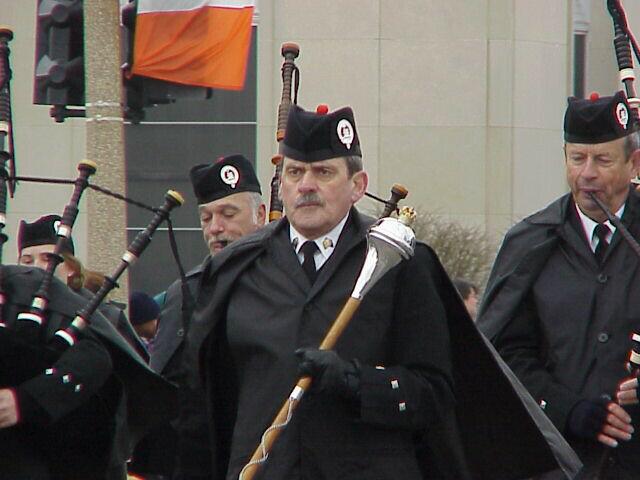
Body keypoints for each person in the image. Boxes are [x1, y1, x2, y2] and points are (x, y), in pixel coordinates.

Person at [186, 104, 582, 480]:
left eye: (323, 172)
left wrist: (355, 382)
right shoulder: (235, 269)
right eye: (294, 173)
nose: (306, 186)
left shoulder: (400, 264)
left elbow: (435, 393)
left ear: (358, 185)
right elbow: (209, 400)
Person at [477, 91, 640, 479]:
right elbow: (502, 353)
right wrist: (566, 408)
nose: (587, 174)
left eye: (602, 160)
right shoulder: (531, 240)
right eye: (577, 158)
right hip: (559, 459)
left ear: (634, 163)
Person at [134, 154, 265, 480]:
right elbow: (163, 390)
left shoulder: (291, 281)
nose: (215, 228)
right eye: (206, 218)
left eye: (228, 214)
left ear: (261, 214)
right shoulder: (187, 292)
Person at [0, 264, 177, 479]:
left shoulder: (30, 289)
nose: (38, 263)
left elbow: (95, 358)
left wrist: (26, 400)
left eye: (47, 257)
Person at [17, 214, 149, 361]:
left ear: (71, 267)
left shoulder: (105, 316)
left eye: (48, 259)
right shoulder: (9, 308)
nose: (37, 267)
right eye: (27, 261)